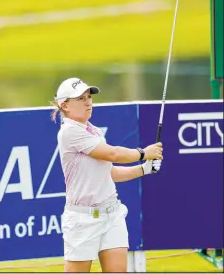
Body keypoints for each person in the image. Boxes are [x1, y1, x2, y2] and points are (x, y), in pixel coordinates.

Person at [51, 77, 163, 273]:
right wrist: (144, 152)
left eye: (88, 97)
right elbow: (113, 154)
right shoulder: (69, 132)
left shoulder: (93, 131)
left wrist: (144, 168)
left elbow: (109, 173)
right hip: (82, 219)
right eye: (80, 98)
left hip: (112, 214)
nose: (87, 101)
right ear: (64, 105)